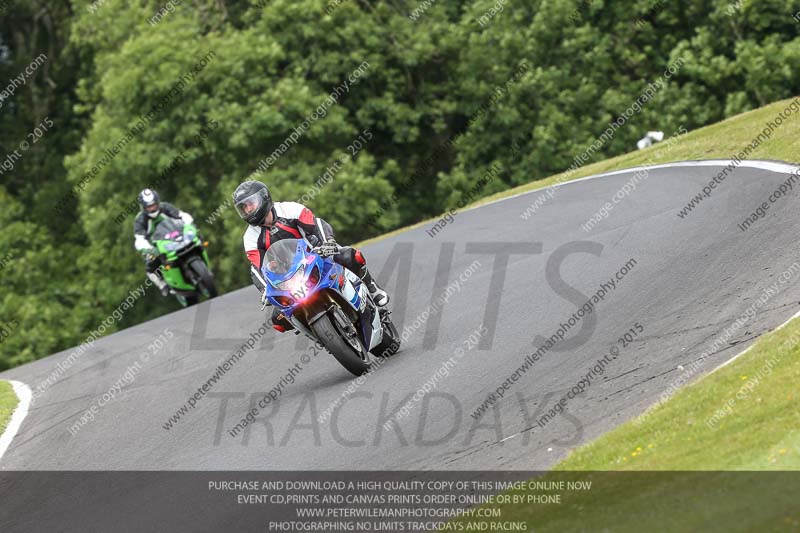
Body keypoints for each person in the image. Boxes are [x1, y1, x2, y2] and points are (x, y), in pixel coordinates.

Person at [232, 180, 389, 332]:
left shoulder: (289, 209)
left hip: (317, 254)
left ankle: (372, 288)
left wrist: (328, 243)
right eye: (243, 208)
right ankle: (319, 334)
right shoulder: (250, 238)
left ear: (264, 197)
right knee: (278, 319)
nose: (247, 211)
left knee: (350, 256)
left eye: (250, 204)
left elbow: (316, 224)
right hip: (289, 278)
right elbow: (258, 267)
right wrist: (266, 290)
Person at [133, 188, 195, 296]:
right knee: (150, 266)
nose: (152, 208)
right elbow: (139, 239)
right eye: (149, 206)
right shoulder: (140, 220)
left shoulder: (165, 207)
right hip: (156, 247)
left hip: (175, 237)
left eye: (154, 205)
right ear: (143, 207)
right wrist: (150, 249)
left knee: (197, 237)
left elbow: (181, 215)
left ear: (157, 202)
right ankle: (162, 285)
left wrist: (188, 224)